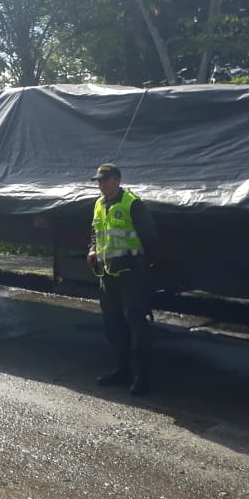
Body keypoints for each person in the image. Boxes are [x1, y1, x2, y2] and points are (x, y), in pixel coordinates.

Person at [86, 163, 158, 396]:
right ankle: (122, 370)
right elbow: (96, 233)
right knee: (113, 325)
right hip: (107, 277)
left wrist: (142, 268)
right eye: (98, 181)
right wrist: (93, 249)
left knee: (136, 326)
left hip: (131, 278)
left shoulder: (132, 204)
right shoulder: (99, 204)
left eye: (105, 180)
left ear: (117, 180)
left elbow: (150, 238)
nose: (101, 185)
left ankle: (142, 377)